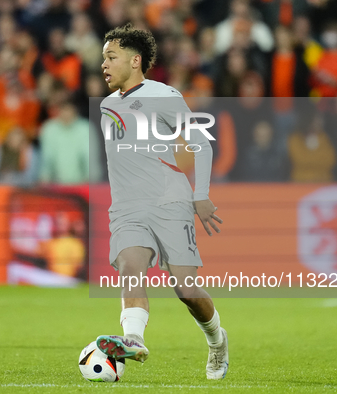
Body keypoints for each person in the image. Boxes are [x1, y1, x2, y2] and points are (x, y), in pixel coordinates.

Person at [95, 24, 228, 380]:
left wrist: (200, 195)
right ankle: (132, 339)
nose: (103, 65)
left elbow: (201, 144)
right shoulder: (107, 106)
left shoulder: (163, 95)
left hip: (169, 202)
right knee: (130, 267)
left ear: (135, 61)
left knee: (185, 288)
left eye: (111, 57)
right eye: (103, 58)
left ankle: (217, 341)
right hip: (127, 208)